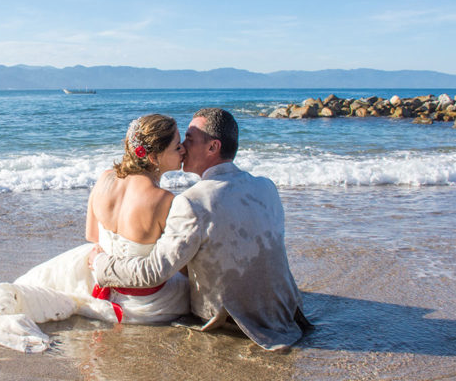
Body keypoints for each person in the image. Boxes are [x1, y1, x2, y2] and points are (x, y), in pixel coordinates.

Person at [0, 114, 190, 353]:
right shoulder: (165, 200)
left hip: (99, 284)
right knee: (189, 287)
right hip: (144, 306)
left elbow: (92, 235)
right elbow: (176, 264)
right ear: (153, 157)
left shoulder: (105, 179)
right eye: (177, 146)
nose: (183, 150)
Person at [90, 108, 311, 351]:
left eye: (189, 139)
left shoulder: (191, 202)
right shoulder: (266, 186)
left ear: (213, 147)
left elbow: (154, 272)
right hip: (285, 309)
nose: (182, 147)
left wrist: (100, 264)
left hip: (232, 318)